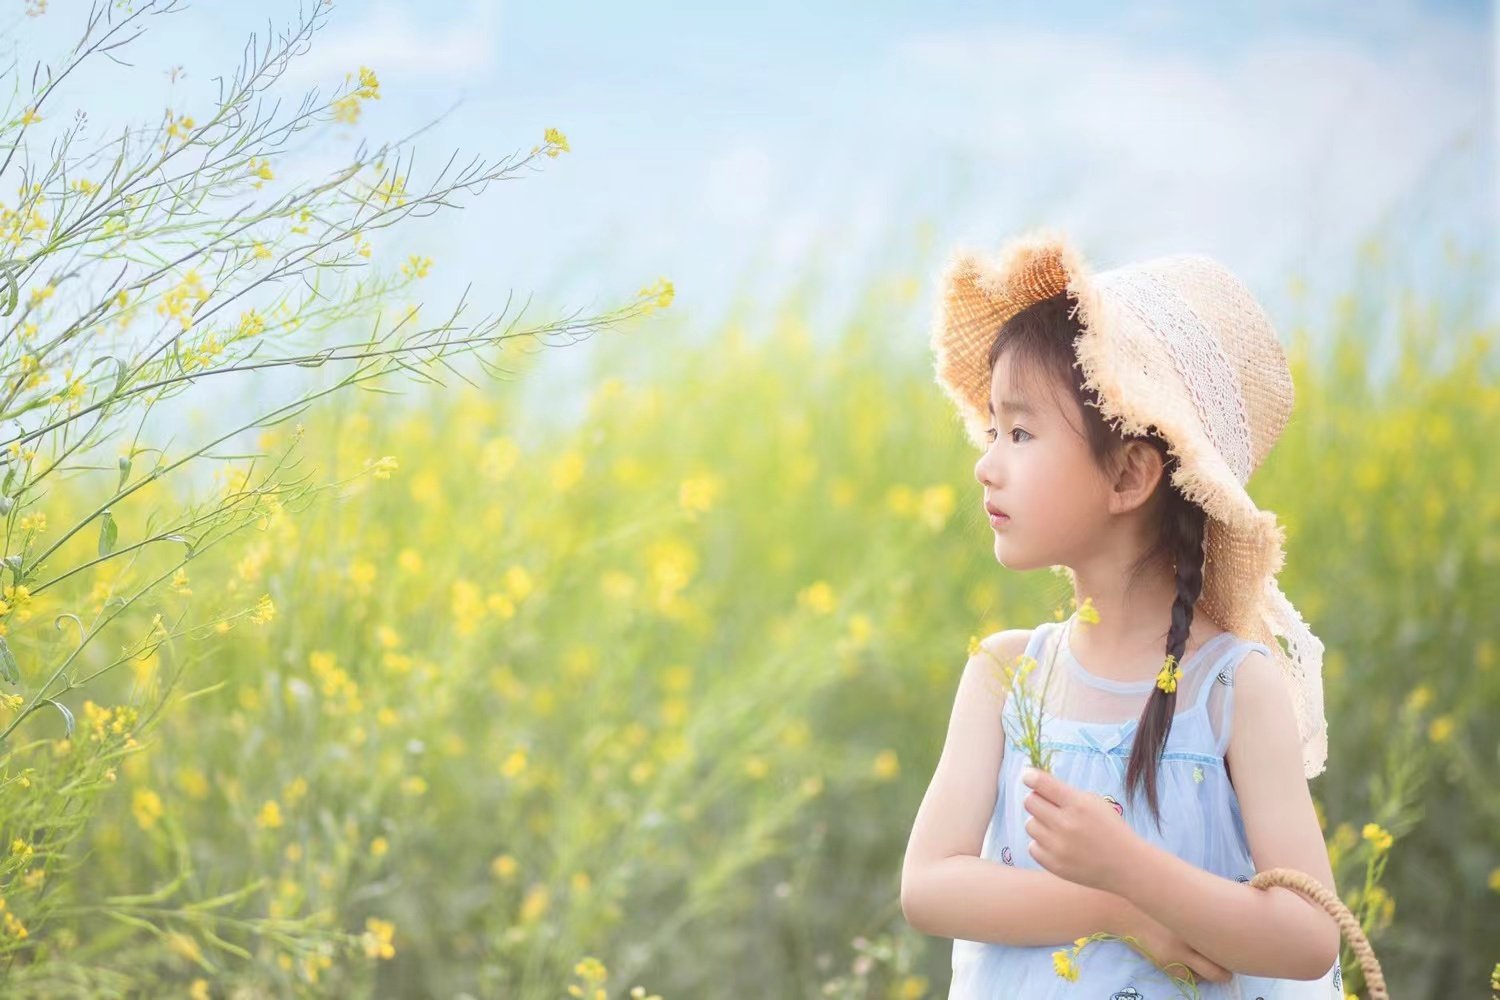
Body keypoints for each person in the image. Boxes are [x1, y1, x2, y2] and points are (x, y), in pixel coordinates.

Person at [900, 228, 1343, 998]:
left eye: (1021, 432)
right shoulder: (1006, 673)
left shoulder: (1232, 687)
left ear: (1131, 475)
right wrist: (1117, 905)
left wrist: (1130, 864)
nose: (986, 461)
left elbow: (1309, 938)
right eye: (993, 431)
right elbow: (930, 886)